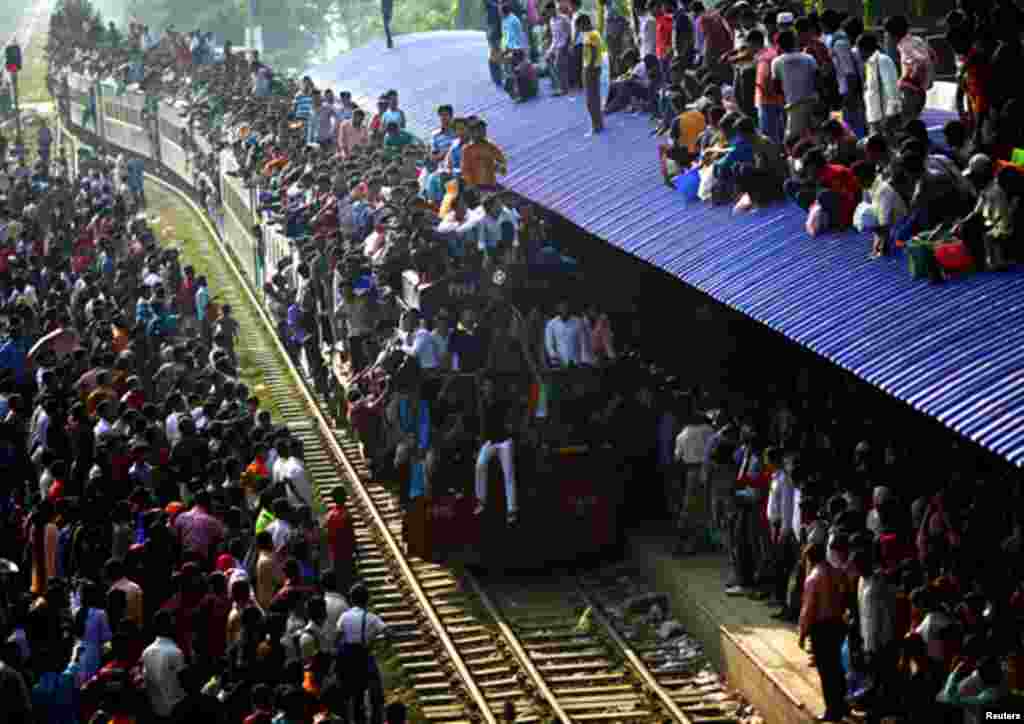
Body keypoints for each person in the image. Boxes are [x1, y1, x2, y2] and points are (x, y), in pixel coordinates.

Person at [798, 542, 848, 722]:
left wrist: (802, 633)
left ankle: (832, 710)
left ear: (810, 558)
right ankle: (843, 705)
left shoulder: (813, 579)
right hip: (838, 624)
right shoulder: (837, 573)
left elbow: (808, 609)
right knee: (838, 667)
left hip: (821, 628)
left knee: (826, 672)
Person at [474, 374, 519, 524]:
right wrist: (481, 442)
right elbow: (482, 426)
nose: (487, 388)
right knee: (480, 464)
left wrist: (510, 428)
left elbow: (511, 419)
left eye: (489, 385)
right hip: (491, 442)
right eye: (485, 386)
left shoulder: (502, 401)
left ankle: (511, 509)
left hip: (505, 441)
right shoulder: (482, 403)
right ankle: (481, 501)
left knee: (508, 473)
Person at [883, 15, 934, 125]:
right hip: (919, 91)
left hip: (910, 93)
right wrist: (928, 81)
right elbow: (932, 56)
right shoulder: (917, 40)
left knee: (906, 124)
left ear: (892, 34)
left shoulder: (904, 46)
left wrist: (905, 81)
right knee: (912, 124)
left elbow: (920, 61)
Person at [771, 29, 818, 140]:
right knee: (815, 135)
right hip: (813, 102)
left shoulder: (777, 62)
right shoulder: (809, 58)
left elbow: (776, 88)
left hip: (793, 105)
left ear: (779, 45)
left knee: (792, 139)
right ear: (795, 42)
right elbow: (818, 80)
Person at [858, 33, 900, 137]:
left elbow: (892, 89)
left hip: (884, 119)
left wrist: (890, 116)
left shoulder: (882, 60)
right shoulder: (869, 64)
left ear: (864, 49)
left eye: (860, 50)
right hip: (874, 119)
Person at [578, 14, 605, 137]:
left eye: (579, 26)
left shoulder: (591, 35)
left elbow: (593, 53)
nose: (579, 30)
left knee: (590, 99)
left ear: (584, 23)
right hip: (594, 67)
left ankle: (596, 125)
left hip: (591, 68)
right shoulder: (593, 33)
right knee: (595, 97)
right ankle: (598, 123)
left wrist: (588, 67)